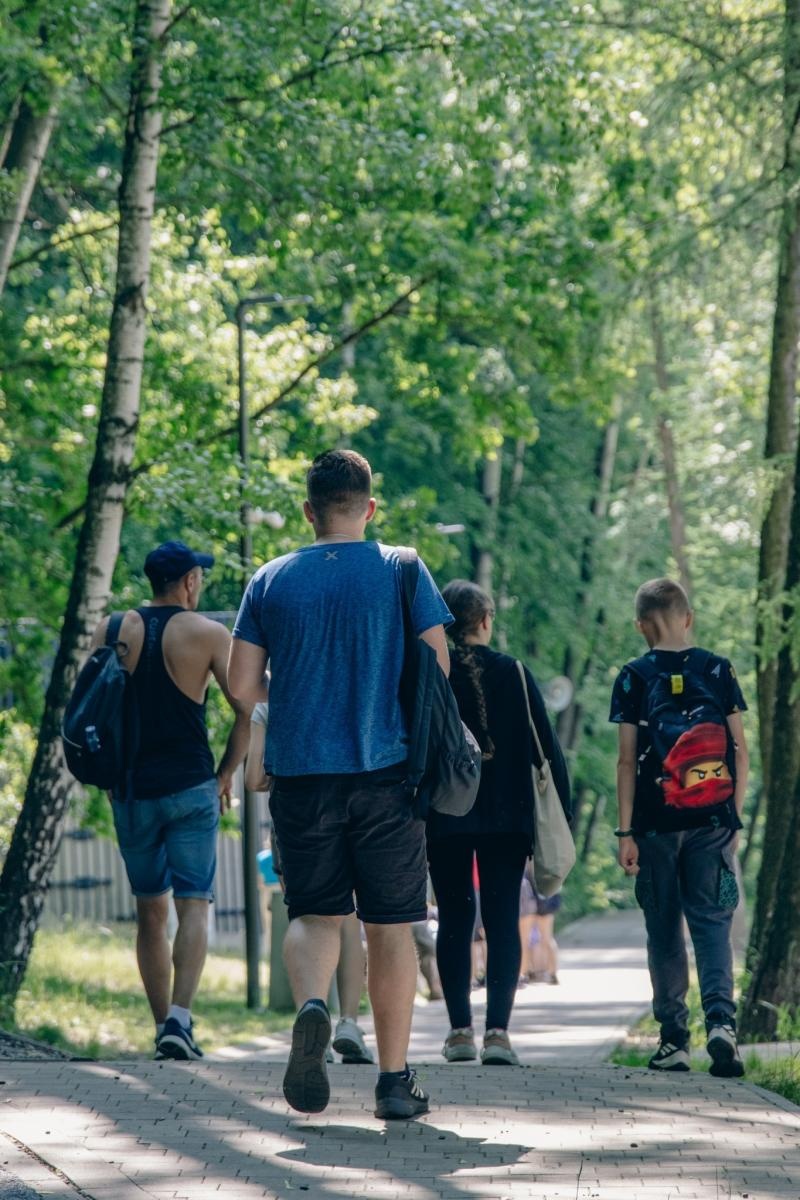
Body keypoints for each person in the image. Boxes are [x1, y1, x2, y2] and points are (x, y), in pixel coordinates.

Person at [228, 448, 451, 1120]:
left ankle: (314, 1007)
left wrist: (293, 697)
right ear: (369, 507)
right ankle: (392, 1082)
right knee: (389, 926)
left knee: (314, 913)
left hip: (300, 775)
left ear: (308, 510)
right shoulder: (400, 567)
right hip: (388, 774)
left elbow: (241, 687)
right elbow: (437, 664)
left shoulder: (270, 579)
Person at [89, 541, 251, 1061]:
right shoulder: (206, 633)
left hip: (131, 791)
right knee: (193, 903)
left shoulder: (113, 630)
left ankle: (163, 1026)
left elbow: (88, 706)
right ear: (188, 583)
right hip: (189, 790)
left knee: (149, 912)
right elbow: (247, 710)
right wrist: (226, 773)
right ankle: (180, 1022)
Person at [427, 579, 570, 1066]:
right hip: (508, 818)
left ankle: (459, 1031)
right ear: (486, 620)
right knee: (502, 920)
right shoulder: (514, 672)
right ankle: (498, 1036)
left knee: (454, 918)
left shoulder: (434, 672)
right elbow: (546, 749)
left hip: (446, 815)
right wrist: (561, 817)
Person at [610, 576, 748, 1077]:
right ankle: (721, 1023)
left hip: (653, 823)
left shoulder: (633, 675)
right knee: (713, 923)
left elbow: (627, 762)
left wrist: (625, 834)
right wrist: (732, 813)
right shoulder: (717, 668)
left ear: (642, 625)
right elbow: (738, 748)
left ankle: (674, 1040)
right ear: (688, 617)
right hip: (712, 819)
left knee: (663, 928)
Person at [245, 702, 374, 1065]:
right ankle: (349, 1022)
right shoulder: (349, 679)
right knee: (349, 920)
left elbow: (254, 778)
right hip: (356, 805)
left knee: (310, 918)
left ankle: (311, 1011)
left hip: (295, 816)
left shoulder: (269, 702)